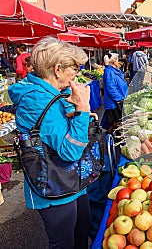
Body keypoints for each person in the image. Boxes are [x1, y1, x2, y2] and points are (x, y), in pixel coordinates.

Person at [8, 36, 92, 249]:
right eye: (75, 68)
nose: (77, 73)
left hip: (73, 179)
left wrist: (74, 110)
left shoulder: (56, 94)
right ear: (58, 69)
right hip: (54, 185)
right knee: (63, 242)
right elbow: (70, 151)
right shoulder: (36, 101)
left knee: (82, 230)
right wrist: (82, 110)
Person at [103, 53, 128, 133]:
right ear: (113, 62)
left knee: (116, 120)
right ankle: (114, 136)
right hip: (114, 102)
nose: (119, 62)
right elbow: (111, 89)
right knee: (117, 121)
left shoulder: (114, 71)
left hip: (118, 99)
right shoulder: (109, 72)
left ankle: (111, 133)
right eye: (117, 60)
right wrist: (119, 99)